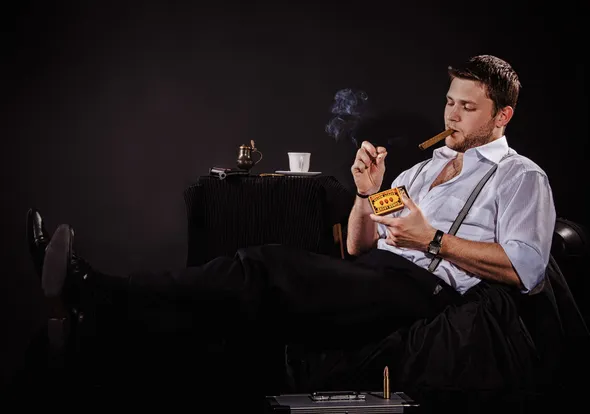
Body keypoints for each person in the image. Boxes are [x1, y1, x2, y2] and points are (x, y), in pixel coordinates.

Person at [27, 55, 556, 402]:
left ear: (503, 116)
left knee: (264, 268)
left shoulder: (520, 177)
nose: (453, 116)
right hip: (378, 274)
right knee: (249, 306)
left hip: (426, 292)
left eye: (468, 107)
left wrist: (433, 240)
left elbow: (526, 270)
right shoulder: (423, 168)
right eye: (449, 102)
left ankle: (92, 291)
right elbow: (356, 245)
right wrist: (367, 193)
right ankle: (90, 325)